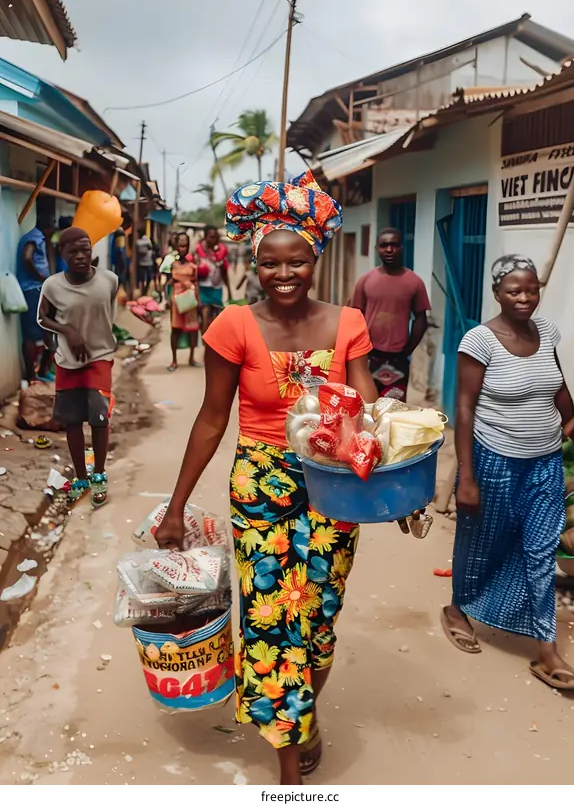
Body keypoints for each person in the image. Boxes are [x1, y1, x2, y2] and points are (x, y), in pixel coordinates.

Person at [155, 171, 377, 785]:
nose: (285, 274)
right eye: (272, 263)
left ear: (315, 260)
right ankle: (289, 771)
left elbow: (368, 412)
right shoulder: (231, 325)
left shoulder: (348, 322)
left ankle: (302, 717)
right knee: (273, 620)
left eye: (297, 262)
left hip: (334, 482)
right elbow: (210, 417)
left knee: (321, 615)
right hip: (261, 482)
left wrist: (394, 478)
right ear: (256, 264)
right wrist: (176, 507)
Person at [442, 254, 574, 691]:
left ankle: (546, 650)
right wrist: (466, 478)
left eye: (531, 290)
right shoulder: (479, 340)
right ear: (497, 294)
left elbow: (558, 384)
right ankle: (458, 609)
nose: (525, 298)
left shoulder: (547, 332)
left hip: (543, 458)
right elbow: (464, 409)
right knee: (484, 540)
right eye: (514, 291)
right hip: (493, 458)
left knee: (541, 547)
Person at [38, 227, 118, 508]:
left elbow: (107, 313)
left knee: (99, 417)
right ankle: (82, 478)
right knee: (72, 421)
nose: (81, 256)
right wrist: (67, 331)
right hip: (68, 362)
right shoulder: (52, 285)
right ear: (62, 254)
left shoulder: (110, 280)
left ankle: (99, 474)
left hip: (100, 358)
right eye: (73, 251)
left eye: (86, 249)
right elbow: (43, 317)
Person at [351, 228, 430, 402]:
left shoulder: (414, 282)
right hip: (367, 359)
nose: (389, 249)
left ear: (402, 247)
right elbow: (354, 317)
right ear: (377, 248)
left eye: (394, 245)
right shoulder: (365, 280)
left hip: (398, 361)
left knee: (393, 412)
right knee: (364, 410)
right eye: (384, 245)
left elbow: (421, 319)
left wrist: (407, 350)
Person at [16, 212, 55, 382]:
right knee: (32, 335)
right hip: (32, 290)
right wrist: (40, 277)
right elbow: (27, 257)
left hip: (38, 290)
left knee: (47, 331)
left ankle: (43, 370)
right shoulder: (34, 238)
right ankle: (32, 376)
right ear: (48, 227)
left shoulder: (38, 237)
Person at [161, 232, 201, 372]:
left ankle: (191, 357)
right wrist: (166, 299)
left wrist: (198, 300)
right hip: (176, 299)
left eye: (185, 245)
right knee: (175, 329)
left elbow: (196, 283)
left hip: (190, 298)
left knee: (193, 329)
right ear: (176, 246)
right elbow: (167, 283)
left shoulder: (193, 266)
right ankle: (174, 360)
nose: (183, 248)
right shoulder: (172, 265)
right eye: (180, 245)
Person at [196, 225, 231, 332]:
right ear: (205, 237)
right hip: (203, 288)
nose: (213, 240)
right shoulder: (198, 251)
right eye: (210, 237)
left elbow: (224, 273)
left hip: (216, 288)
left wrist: (229, 291)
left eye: (215, 237)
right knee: (205, 317)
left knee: (216, 320)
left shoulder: (221, 251)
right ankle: (205, 342)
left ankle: (212, 344)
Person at [135, 229, 154, 296]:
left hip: (148, 262)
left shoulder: (146, 239)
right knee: (142, 278)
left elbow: (138, 243)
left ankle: (146, 289)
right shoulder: (140, 240)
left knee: (149, 278)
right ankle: (143, 291)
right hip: (141, 262)